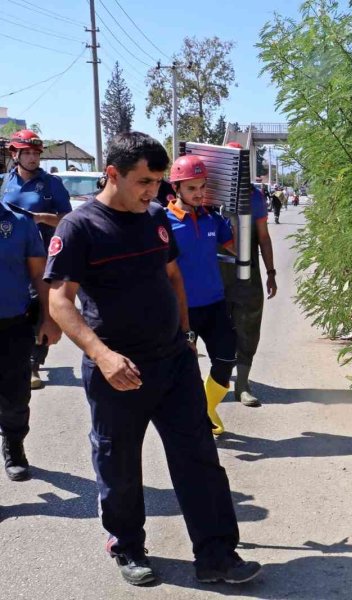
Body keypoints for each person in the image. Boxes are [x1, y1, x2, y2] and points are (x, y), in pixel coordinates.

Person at [45, 132, 261, 586]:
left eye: (158, 181)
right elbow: (59, 301)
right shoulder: (80, 227)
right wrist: (102, 356)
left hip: (174, 362)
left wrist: (184, 336)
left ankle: (218, 554)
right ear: (113, 174)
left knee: (199, 455)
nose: (152, 191)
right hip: (118, 370)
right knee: (119, 461)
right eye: (143, 181)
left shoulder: (157, 218)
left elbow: (173, 275)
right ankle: (127, 546)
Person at [165, 155, 238, 436]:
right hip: (182, 310)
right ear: (177, 189)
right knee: (185, 369)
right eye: (191, 188)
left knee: (226, 358)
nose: (198, 193)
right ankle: (193, 419)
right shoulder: (163, 221)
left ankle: (206, 408)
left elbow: (236, 248)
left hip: (215, 305)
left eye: (202, 187)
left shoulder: (212, 219)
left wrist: (237, 219)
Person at [1, 129, 72, 390]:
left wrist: (41, 218)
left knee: (39, 306)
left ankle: (33, 363)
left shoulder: (52, 183)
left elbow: (68, 219)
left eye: (36, 153)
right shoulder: (4, 183)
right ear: (15, 154)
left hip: (44, 254)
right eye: (27, 153)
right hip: (11, 255)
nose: (32, 158)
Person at [0, 196, 62, 482]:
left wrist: (48, 319)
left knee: (15, 397)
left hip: (13, 325)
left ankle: (13, 445)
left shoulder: (20, 222)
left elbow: (39, 275)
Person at [220, 143, 277, 407]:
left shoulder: (255, 197)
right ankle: (207, 385)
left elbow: (263, 238)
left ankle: (242, 384)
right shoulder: (207, 194)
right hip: (213, 277)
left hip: (247, 275)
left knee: (248, 328)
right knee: (209, 330)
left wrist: (271, 272)